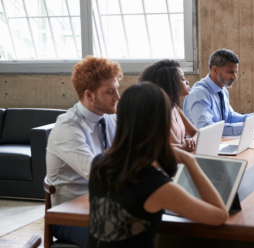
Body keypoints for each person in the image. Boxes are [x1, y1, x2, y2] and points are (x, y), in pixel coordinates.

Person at [86, 83, 228, 248]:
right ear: (161, 122)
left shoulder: (99, 163)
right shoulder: (155, 186)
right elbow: (220, 215)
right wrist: (190, 161)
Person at [46, 55, 122, 246]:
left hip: (107, 205)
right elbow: (99, 174)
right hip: (70, 216)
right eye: (109, 92)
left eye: (117, 90)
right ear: (89, 95)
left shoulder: (111, 117)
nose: (117, 98)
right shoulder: (68, 128)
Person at [183, 48, 254, 136]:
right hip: (199, 147)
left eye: (236, 72)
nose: (234, 77)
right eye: (230, 72)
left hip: (220, 142)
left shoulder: (222, 89)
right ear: (215, 70)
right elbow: (206, 128)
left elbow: (229, 117)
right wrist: (243, 127)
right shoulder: (199, 93)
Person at [139, 59, 198, 152]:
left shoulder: (175, 107)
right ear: (170, 84)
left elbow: (196, 133)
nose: (187, 82)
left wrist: (191, 142)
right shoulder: (158, 113)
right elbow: (179, 147)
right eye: (183, 79)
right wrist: (189, 143)